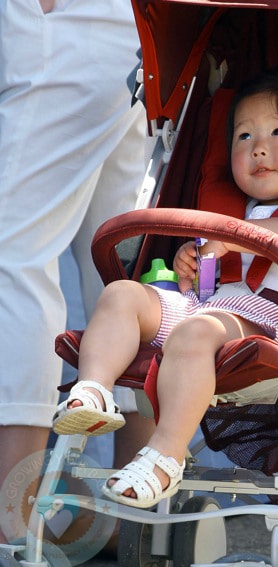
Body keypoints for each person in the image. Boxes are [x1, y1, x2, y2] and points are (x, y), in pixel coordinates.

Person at [51, 69, 278, 509]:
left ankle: (166, 454)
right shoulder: (224, 207)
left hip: (271, 321)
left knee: (195, 333)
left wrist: (230, 236)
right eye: (243, 135)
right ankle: (94, 391)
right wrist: (187, 264)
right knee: (122, 293)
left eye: (277, 131)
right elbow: (202, 285)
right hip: (206, 306)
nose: (258, 146)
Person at [0, 0, 155, 543]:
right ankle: (134, 513)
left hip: (61, 24)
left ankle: (12, 517)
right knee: (117, 262)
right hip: (116, 28)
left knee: (11, 255)